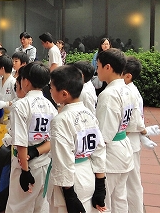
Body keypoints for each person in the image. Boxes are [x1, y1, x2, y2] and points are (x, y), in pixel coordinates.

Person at [48, 65, 107, 213]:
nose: (50, 90)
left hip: (70, 180)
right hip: (88, 173)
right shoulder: (88, 113)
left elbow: (63, 159)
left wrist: (69, 194)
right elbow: (99, 149)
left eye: (52, 87)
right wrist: (100, 184)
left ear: (64, 94)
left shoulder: (60, 120)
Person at [5, 62, 58, 213]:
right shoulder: (50, 106)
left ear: (26, 82)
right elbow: (52, 140)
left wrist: (25, 171)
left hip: (25, 164)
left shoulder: (21, 105)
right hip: (44, 163)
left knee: (18, 207)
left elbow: (21, 143)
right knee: (40, 206)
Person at [95, 48, 144, 212]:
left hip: (111, 155)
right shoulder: (128, 89)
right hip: (124, 148)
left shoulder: (109, 94)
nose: (97, 69)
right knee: (120, 199)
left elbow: (103, 136)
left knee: (105, 201)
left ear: (107, 67)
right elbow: (132, 124)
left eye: (98, 65)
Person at [122, 56, 160, 213]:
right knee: (129, 183)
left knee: (132, 183)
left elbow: (135, 122)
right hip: (130, 142)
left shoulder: (130, 92)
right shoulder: (128, 90)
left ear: (128, 75)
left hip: (129, 143)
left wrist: (144, 132)